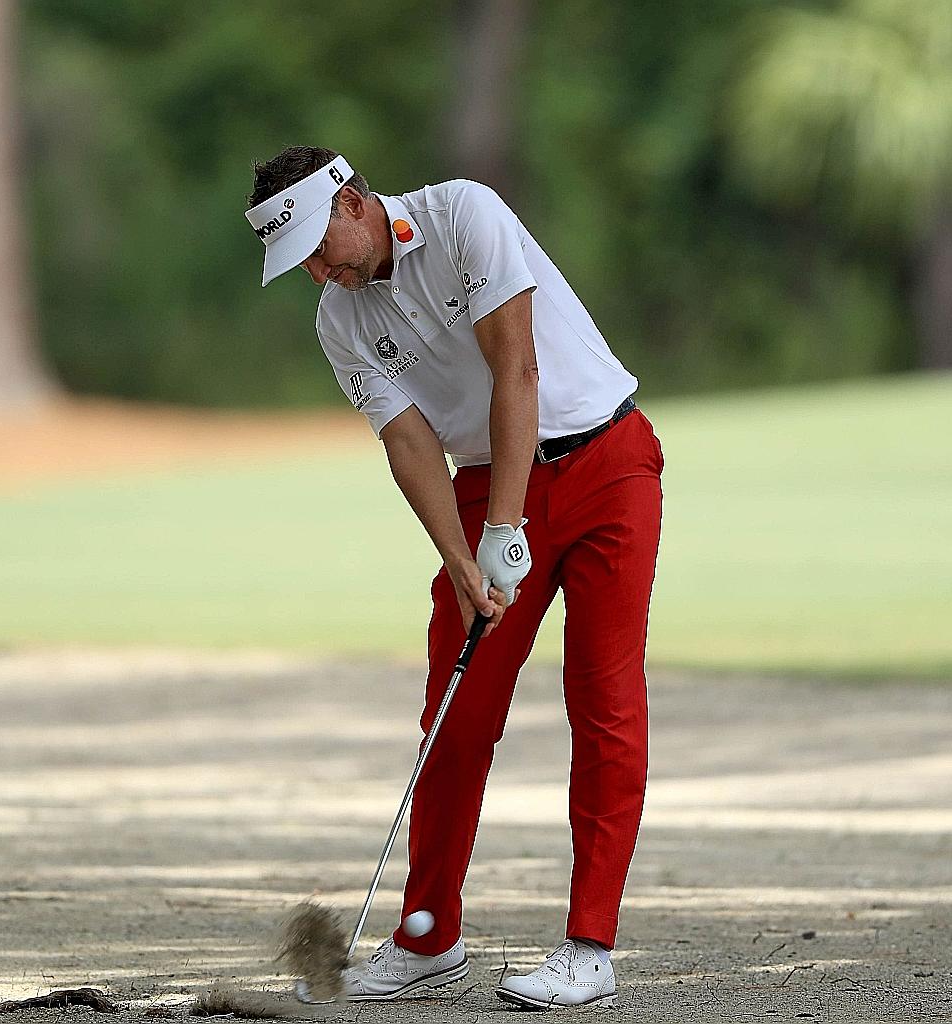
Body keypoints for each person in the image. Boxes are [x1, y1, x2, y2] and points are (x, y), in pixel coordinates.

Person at [244, 146, 663, 1010]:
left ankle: (589, 947)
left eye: (320, 251)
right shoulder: (339, 319)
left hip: (605, 464)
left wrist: (507, 528)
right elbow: (408, 442)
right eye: (301, 267)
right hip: (484, 483)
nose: (319, 273)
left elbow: (519, 370)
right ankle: (428, 936)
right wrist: (462, 557)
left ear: (353, 201)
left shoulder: (464, 214)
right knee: (457, 712)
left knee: (604, 699)